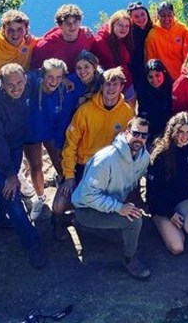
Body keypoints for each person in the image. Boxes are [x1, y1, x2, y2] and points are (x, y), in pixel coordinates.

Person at [0, 63, 45, 268]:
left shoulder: (27, 82)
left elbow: (41, 74)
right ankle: (32, 243)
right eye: (10, 84)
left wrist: (64, 78)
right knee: (12, 192)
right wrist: (10, 173)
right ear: (1, 83)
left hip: (14, 143)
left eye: (20, 83)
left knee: (4, 187)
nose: (16, 88)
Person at [54, 67, 135, 241]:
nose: (111, 88)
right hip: (82, 166)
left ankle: (86, 221)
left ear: (122, 87)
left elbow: (130, 148)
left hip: (110, 169)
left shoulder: (128, 113)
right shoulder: (85, 110)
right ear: (101, 86)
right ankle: (59, 222)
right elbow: (70, 145)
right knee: (59, 205)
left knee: (109, 206)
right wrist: (69, 176)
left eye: (115, 84)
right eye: (107, 84)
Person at [71, 116, 152, 279]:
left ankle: (93, 230)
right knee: (134, 221)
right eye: (136, 134)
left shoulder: (143, 157)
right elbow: (88, 196)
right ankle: (130, 259)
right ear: (126, 132)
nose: (140, 139)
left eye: (144, 136)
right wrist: (119, 208)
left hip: (110, 204)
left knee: (128, 231)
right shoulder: (106, 159)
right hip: (86, 209)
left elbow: (137, 181)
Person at [146, 112, 188, 255]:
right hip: (162, 205)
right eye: (180, 132)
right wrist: (169, 213)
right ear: (172, 131)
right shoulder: (161, 154)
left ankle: (182, 222)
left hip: (183, 198)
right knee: (177, 248)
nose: (184, 136)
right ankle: (161, 224)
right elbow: (153, 192)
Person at [23, 58, 70, 221]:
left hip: (52, 131)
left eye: (58, 77)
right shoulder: (30, 83)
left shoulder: (64, 90)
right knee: (36, 166)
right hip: (31, 132)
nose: (54, 81)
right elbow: (10, 78)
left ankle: (64, 188)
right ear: (42, 75)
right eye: (50, 76)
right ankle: (40, 197)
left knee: (60, 162)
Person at [30, 4, 95, 70]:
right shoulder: (47, 45)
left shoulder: (87, 36)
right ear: (60, 26)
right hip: (58, 78)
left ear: (80, 22)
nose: (72, 26)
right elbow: (35, 70)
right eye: (67, 23)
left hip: (82, 75)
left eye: (75, 22)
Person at [89, 10, 135, 98]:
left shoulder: (126, 40)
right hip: (110, 87)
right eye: (120, 25)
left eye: (127, 26)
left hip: (127, 83)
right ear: (112, 24)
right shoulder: (100, 42)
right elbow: (93, 64)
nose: (124, 29)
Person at [145, 1, 188, 80]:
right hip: (163, 79)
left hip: (182, 75)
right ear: (158, 17)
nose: (166, 18)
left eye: (169, 15)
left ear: (174, 15)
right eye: (163, 15)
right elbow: (150, 61)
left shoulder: (182, 29)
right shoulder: (152, 36)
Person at [137, 59, 174, 143]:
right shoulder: (143, 91)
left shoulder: (172, 88)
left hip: (169, 127)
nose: (154, 80)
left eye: (157, 75)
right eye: (150, 77)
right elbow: (143, 114)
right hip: (151, 129)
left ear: (163, 73)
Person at [126, 1, 154, 94]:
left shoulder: (154, 29)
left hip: (155, 70)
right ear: (131, 19)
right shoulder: (128, 34)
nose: (141, 18)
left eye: (142, 14)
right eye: (136, 16)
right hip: (137, 74)